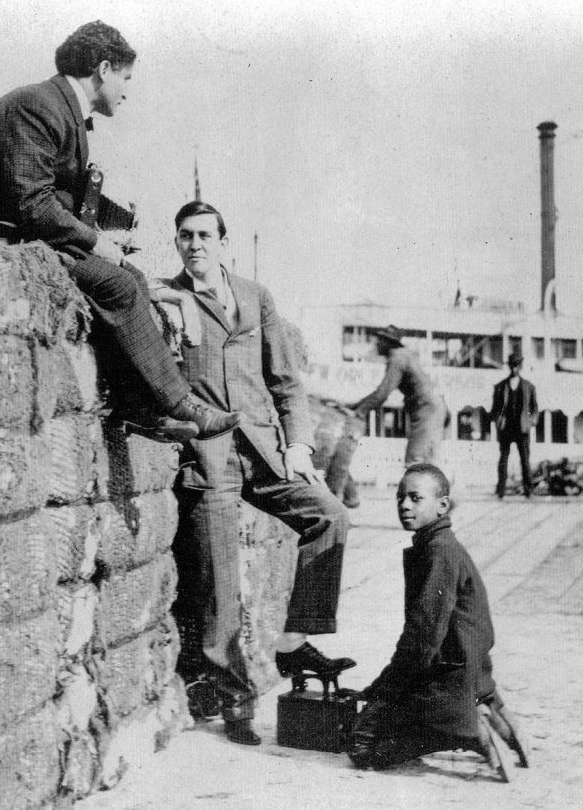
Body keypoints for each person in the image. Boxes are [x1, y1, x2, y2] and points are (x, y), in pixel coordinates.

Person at [0, 20, 238, 442]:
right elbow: (32, 204)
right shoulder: (36, 106)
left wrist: (102, 237)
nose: (127, 90)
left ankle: (140, 408)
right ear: (104, 69)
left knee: (128, 279)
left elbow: (46, 204)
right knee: (118, 282)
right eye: (126, 78)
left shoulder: (61, 110)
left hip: (21, 238)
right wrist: (96, 243)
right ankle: (178, 403)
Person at [165, 201, 354, 746]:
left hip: (268, 454)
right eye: (185, 236)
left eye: (204, 235)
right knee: (220, 590)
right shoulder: (170, 298)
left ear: (223, 242)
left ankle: (296, 641)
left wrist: (298, 444)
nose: (195, 244)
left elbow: (287, 383)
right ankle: (235, 701)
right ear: (177, 243)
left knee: (331, 517)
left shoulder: (256, 296)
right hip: (210, 459)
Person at [349, 464, 528, 771]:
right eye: (400, 498)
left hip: (447, 678)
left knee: (362, 749)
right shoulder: (439, 544)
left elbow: (422, 636)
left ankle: (470, 734)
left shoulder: (438, 553)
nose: (404, 505)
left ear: (442, 505)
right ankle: (494, 724)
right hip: (468, 667)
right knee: (381, 715)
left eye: (415, 498)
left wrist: (386, 688)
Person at [352, 325, 449, 466]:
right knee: (428, 460)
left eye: (381, 340)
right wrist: (356, 406)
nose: (377, 343)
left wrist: (359, 411)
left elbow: (382, 394)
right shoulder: (402, 354)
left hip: (427, 409)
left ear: (388, 343)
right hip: (433, 407)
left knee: (415, 460)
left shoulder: (397, 357)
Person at [489, 352, 538, 498]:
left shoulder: (529, 387)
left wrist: (530, 422)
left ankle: (529, 491)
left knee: (525, 460)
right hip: (506, 429)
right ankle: (500, 491)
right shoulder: (500, 387)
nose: (514, 368)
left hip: (522, 429)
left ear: (520, 366)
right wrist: (499, 422)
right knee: (503, 459)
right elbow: (495, 409)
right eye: (512, 365)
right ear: (509, 366)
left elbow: (534, 409)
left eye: (517, 365)